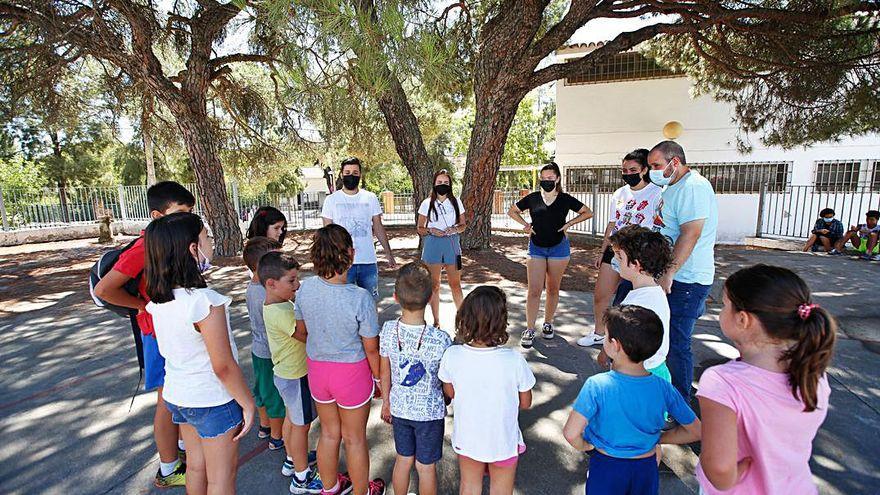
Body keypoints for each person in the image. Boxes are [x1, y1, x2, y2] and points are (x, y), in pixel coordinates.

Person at [697, 265, 836, 494]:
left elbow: (719, 470)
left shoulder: (722, 383)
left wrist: (736, 473)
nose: (722, 312)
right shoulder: (813, 372)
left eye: (725, 305)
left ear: (743, 319)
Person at [144, 212, 255, 495]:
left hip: (179, 396)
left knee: (195, 466)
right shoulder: (205, 302)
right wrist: (247, 403)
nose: (211, 243)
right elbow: (223, 366)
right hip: (213, 400)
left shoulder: (160, 301)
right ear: (193, 249)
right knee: (221, 478)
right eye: (207, 237)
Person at [93, 181, 195, 488]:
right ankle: (168, 469)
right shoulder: (144, 247)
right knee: (167, 400)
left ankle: (179, 449)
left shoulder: (173, 240)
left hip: (173, 329)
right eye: (180, 213)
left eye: (190, 213)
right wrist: (143, 306)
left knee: (179, 396)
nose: (186, 220)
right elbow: (104, 289)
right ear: (156, 215)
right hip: (156, 335)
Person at [562, 306, 701, 495]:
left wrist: (585, 445)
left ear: (615, 345)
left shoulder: (597, 385)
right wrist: (659, 438)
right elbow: (695, 430)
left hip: (607, 466)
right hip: (646, 467)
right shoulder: (663, 387)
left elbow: (571, 433)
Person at [294, 224, 386, 495]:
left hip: (318, 371)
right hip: (351, 373)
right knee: (354, 438)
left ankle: (330, 486)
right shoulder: (360, 297)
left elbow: (301, 332)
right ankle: (361, 490)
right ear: (351, 253)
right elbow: (371, 348)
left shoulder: (305, 289)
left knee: (329, 433)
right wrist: (379, 378)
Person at [438, 286, 536, 495]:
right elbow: (526, 403)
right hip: (503, 440)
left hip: (468, 438)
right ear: (502, 321)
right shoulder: (514, 360)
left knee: (469, 486)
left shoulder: (452, 355)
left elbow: (451, 392)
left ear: (464, 317)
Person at [646, 140, 718, 401]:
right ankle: (674, 389)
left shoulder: (693, 187)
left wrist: (669, 272)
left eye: (656, 165)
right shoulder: (672, 187)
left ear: (674, 162)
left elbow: (691, 233)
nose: (651, 171)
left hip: (686, 280)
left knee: (677, 344)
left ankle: (680, 402)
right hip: (673, 276)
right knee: (667, 339)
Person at [379, 262, 452, 495]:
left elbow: (385, 372)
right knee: (426, 467)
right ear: (431, 297)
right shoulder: (441, 339)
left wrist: (387, 404)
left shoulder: (388, 331)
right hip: (429, 413)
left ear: (395, 297)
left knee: (403, 459)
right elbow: (446, 379)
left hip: (399, 409)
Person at [579, 149, 663, 347]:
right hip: (615, 250)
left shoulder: (657, 193)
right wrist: (602, 251)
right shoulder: (619, 193)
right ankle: (599, 333)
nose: (627, 174)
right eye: (624, 170)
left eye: (632, 169)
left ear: (644, 169)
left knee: (629, 301)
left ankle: (627, 339)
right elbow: (612, 224)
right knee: (601, 295)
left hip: (638, 253)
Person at [507, 162, 593, 348]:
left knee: (553, 288)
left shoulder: (565, 199)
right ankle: (529, 329)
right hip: (536, 247)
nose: (546, 181)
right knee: (534, 290)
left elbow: (587, 212)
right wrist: (525, 225)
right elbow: (512, 211)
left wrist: (568, 225)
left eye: (550, 178)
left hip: (558, 248)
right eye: (543, 178)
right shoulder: (532, 198)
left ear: (557, 179)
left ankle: (548, 323)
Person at [260, 251, 322, 494]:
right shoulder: (282, 311)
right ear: (271, 284)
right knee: (302, 426)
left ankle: (292, 458)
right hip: (297, 375)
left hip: (286, 374)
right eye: (292, 281)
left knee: (292, 420)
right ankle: (301, 477)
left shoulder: (278, 304)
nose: (297, 286)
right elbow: (304, 335)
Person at [595, 226, 673, 385]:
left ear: (636, 264)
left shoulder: (637, 305)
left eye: (619, 256)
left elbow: (626, 347)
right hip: (653, 373)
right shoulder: (654, 293)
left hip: (637, 378)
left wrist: (606, 353)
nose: (614, 260)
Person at [321, 157, 397, 300]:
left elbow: (378, 227)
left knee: (369, 302)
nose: (351, 175)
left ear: (360, 175)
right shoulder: (331, 200)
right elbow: (327, 233)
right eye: (348, 172)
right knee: (343, 304)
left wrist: (389, 253)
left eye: (355, 172)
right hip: (341, 262)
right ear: (342, 174)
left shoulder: (370, 198)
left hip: (368, 261)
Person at [242, 237, 286, 449]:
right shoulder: (266, 293)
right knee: (275, 396)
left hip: (258, 349)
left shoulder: (252, 287)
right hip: (272, 353)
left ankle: (265, 426)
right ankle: (277, 437)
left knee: (262, 389)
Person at [416, 169, 467, 328]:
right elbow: (420, 228)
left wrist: (455, 229)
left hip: (452, 245)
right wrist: (431, 230)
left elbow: (463, 225)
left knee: (455, 284)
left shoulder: (456, 202)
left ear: (450, 185)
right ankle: (436, 321)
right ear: (434, 184)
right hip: (433, 245)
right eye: (439, 182)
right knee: (434, 285)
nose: (442, 185)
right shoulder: (426, 203)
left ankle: (463, 320)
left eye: (446, 183)